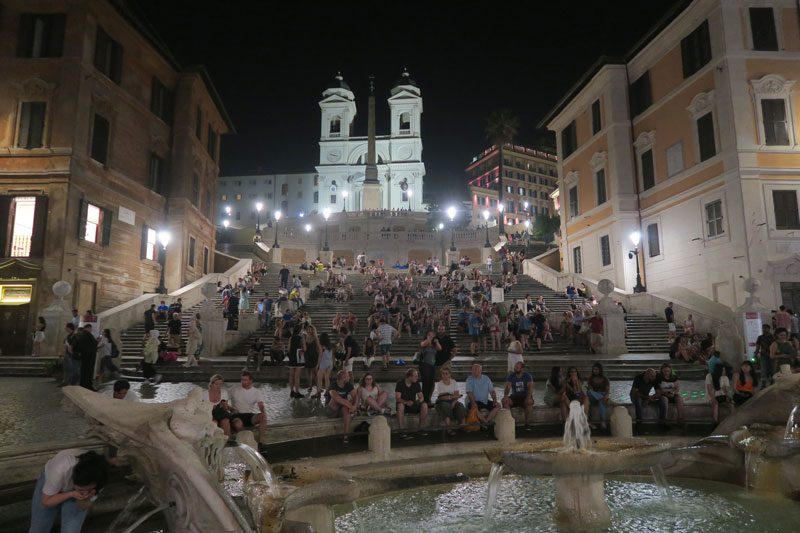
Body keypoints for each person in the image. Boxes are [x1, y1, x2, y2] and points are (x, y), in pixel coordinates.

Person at [30, 449, 110, 533]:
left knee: (71, 530)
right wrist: (70, 494)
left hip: (73, 489)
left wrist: (86, 498)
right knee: (39, 529)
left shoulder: (100, 478)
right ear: (74, 481)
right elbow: (46, 502)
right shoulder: (60, 468)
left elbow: (81, 507)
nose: (85, 492)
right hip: (52, 485)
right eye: (81, 490)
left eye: (88, 489)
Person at [395, 368, 429, 437]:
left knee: (424, 405)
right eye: (415, 376)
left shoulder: (416, 383)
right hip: (404, 405)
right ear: (410, 377)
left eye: (417, 376)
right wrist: (406, 402)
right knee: (400, 405)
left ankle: (421, 428)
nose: (417, 378)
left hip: (413, 404)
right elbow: (397, 398)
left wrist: (417, 402)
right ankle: (401, 430)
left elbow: (421, 397)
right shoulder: (400, 383)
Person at [327, 370, 358, 442]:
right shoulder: (333, 385)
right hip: (332, 410)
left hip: (341, 408)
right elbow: (336, 399)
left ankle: (345, 437)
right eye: (348, 376)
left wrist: (355, 406)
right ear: (343, 377)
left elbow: (356, 396)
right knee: (338, 399)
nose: (349, 378)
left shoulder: (348, 384)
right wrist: (351, 406)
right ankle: (352, 411)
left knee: (346, 409)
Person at [502, 361, 534, 427]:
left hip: (525, 396)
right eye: (515, 367)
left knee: (529, 402)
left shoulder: (527, 376)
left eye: (517, 367)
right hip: (515, 396)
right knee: (504, 401)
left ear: (522, 369)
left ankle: (527, 423)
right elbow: (507, 389)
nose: (515, 368)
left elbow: (530, 389)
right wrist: (505, 395)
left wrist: (528, 398)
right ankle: (509, 422)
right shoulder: (511, 376)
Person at [434, 368, 466, 435]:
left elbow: (457, 394)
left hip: (452, 401)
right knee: (445, 406)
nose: (445, 375)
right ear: (441, 375)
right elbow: (442, 397)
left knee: (460, 406)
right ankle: (449, 428)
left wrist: (454, 402)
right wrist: (452, 396)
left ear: (449, 374)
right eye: (443, 373)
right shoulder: (440, 384)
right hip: (442, 401)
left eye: (446, 373)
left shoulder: (453, 382)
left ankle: (463, 425)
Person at [418, 329, 440, 405]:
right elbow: (422, 345)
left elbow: (439, 348)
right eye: (430, 334)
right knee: (425, 382)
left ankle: (428, 399)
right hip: (425, 365)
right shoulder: (423, 342)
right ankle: (423, 400)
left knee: (431, 383)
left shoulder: (434, 344)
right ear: (427, 335)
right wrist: (429, 339)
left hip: (432, 365)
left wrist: (436, 342)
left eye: (433, 335)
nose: (431, 336)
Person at [586, 363, 610, 428]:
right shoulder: (591, 379)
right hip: (593, 397)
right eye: (594, 369)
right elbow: (590, 390)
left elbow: (607, 391)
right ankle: (601, 398)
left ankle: (603, 421)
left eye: (596, 369)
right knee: (589, 392)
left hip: (602, 396)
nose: (595, 371)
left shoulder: (605, 379)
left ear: (600, 370)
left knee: (601, 402)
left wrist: (605, 396)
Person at [76, 325, 98, 390]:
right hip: (89, 358)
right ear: (88, 328)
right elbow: (91, 345)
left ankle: (83, 385)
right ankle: (88, 386)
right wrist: (96, 342)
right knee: (88, 373)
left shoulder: (83, 335)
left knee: (84, 372)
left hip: (85, 357)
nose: (91, 330)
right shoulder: (87, 335)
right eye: (90, 328)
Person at [287, 325, 306, 398]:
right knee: (297, 376)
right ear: (300, 330)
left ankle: (291, 391)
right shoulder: (301, 338)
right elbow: (304, 348)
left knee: (291, 375)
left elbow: (288, 349)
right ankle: (297, 392)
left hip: (292, 357)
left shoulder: (290, 338)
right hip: (298, 357)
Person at [755, 324, 775, 388]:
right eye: (763, 328)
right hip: (763, 355)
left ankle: (772, 381)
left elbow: (775, 346)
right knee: (763, 369)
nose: (764, 329)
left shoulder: (773, 337)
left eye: (766, 328)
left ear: (769, 329)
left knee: (772, 368)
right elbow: (758, 346)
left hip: (772, 355)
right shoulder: (760, 337)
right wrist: (756, 353)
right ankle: (763, 383)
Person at [316, 333, 334, 398]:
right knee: (327, 378)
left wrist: (317, 364)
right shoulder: (330, 345)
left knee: (319, 378)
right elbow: (332, 355)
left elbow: (320, 355)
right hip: (329, 362)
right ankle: (327, 392)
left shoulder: (321, 345)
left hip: (323, 362)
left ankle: (318, 392)